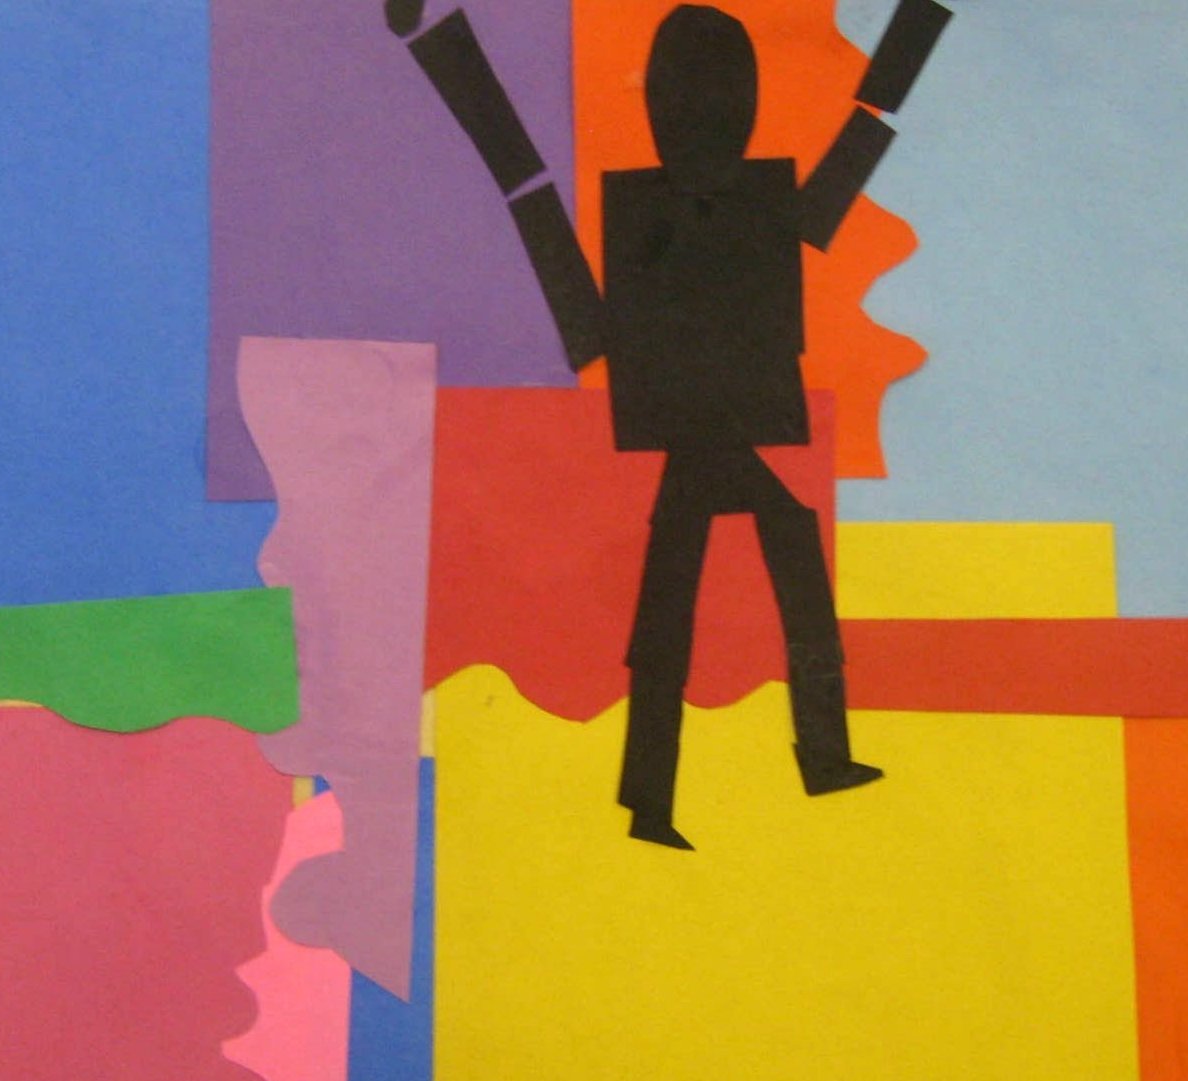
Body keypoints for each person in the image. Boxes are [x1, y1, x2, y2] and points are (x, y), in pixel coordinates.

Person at [387, 0, 951, 848]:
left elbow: (530, 196)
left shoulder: (715, 205)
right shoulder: (711, 207)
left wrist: (436, 44)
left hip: (703, 425)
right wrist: (916, 28)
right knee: (737, 575)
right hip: (710, 425)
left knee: (683, 596)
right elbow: (859, 139)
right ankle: (766, 770)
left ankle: (671, 794)